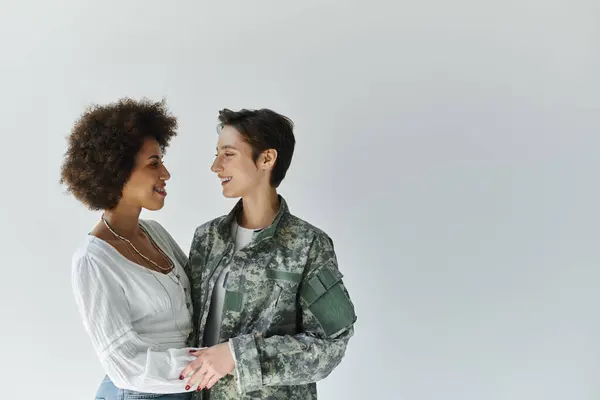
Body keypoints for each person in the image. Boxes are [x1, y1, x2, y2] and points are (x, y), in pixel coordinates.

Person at [179, 108, 357, 399]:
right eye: (216, 154)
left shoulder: (308, 244)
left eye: (228, 154)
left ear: (266, 158)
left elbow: (330, 345)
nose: (215, 166)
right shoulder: (206, 238)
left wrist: (238, 355)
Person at [61, 98, 197, 399]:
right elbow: (125, 364)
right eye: (154, 163)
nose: (166, 173)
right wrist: (208, 364)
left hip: (186, 390)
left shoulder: (155, 234)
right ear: (117, 170)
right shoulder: (93, 260)